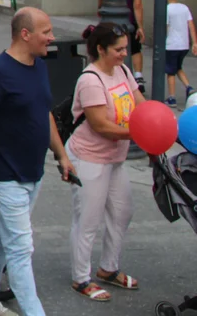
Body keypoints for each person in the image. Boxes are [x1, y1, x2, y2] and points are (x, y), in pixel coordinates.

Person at [0, 7, 77, 316]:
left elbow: (45, 114)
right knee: (21, 248)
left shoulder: (39, 67)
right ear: (25, 34)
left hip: (33, 173)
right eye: (46, 32)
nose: (52, 38)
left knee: (3, 237)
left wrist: (62, 154)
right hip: (5, 176)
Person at [66, 22, 145, 302]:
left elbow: (139, 103)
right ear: (100, 49)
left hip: (114, 158)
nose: (124, 54)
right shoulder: (90, 79)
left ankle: (108, 269)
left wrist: (156, 121)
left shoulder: (122, 70)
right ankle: (80, 278)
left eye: (126, 48)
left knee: (122, 211)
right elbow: (101, 126)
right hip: (88, 157)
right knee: (88, 219)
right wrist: (141, 132)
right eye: (118, 49)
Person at [97, 0, 145, 86]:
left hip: (109, 21)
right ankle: (138, 76)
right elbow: (137, 4)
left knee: (112, 46)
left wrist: (100, 9)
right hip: (129, 21)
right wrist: (140, 26)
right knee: (135, 48)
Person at [165, 0, 196, 108]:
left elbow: (165, 28)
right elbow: (191, 25)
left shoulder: (166, 9)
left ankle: (172, 97)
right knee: (177, 67)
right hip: (184, 45)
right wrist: (195, 43)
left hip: (171, 45)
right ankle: (189, 87)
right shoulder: (184, 8)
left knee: (170, 71)